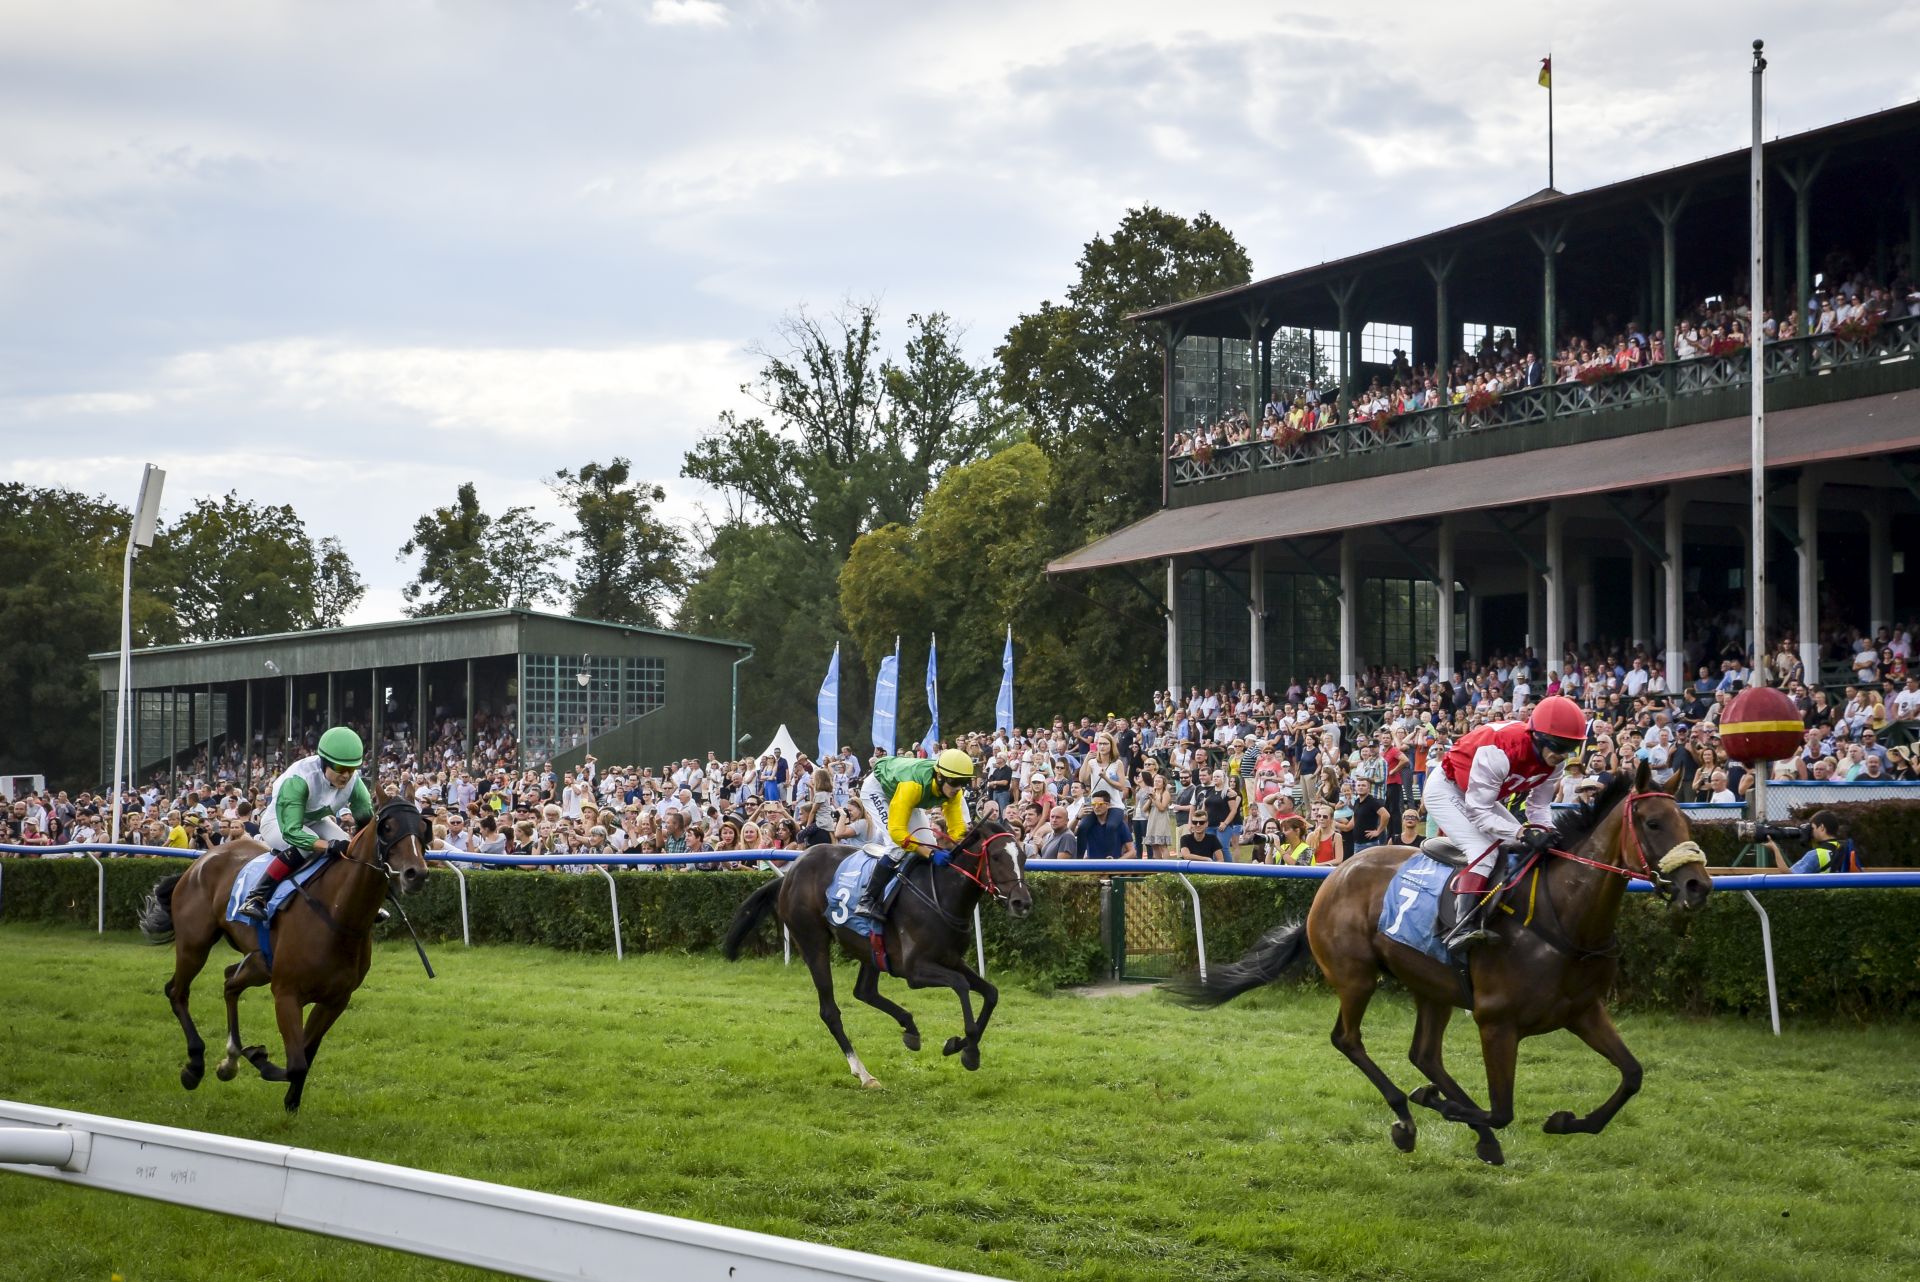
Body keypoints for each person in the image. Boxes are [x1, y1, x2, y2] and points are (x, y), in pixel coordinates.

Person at [1422, 695, 1584, 949]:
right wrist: (1522, 832)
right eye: (1556, 745)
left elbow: (1539, 806)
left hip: (1480, 795)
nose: (1561, 755)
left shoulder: (1555, 764)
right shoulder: (1501, 750)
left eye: (1569, 748)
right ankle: (1461, 926)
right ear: (1537, 737)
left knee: (1530, 847)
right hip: (1447, 789)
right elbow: (1478, 811)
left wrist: (1546, 832)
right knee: (1483, 852)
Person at [237, 726, 374, 920]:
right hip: (279, 821)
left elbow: (366, 820)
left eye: (351, 770)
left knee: (348, 846)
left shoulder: (354, 782)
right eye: (341, 769)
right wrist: (327, 845)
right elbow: (292, 831)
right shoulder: (299, 778)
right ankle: (256, 896)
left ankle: (359, 901)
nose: (346, 775)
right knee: (307, 846)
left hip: (315, 819)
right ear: (325, 762)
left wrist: (362, 844)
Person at [852, 748, 974, 921]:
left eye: (964, 781)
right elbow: (897, 833)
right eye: (955, 782)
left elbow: (957, 831)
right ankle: (866, 900)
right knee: (897, 846)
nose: (958, 787)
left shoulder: (954, 790)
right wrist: (931, 853)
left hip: (905, 790)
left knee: (928, 843)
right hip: (878, 790)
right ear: (940, 776)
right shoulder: (912, 787)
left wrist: (963, 850)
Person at [1768, 810, 1865, 873]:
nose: (1811, 831)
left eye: (1812, 828)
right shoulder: (1843, 847)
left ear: (1822, 827)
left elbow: (1788, 875)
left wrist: (1775, 849)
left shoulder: (1816, 855)